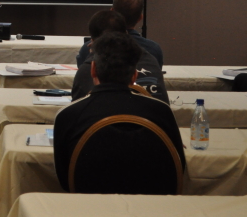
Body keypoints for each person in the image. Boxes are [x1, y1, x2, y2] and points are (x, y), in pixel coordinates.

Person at [53, 31, 185, 192]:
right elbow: (179, 168)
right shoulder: (161, 111)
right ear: (134, 75)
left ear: (92, 69)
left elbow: (64, 180)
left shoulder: (68, 115)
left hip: (88, 208)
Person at [71, 10, 168, 104]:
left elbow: (76, 111)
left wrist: (92, 55)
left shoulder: (85, 70)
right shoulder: (151, 61)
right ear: (134, 75)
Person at [76, 0, 164, 68]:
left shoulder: (89, 49)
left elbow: (85, 78)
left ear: (112, 11)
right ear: (140, 18)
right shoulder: (154, 49)